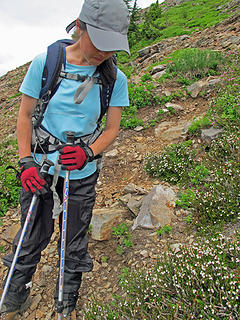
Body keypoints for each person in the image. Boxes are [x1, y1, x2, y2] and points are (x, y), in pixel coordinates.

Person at [0, 0, 130, 318]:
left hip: (81, 172)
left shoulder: (116, 79)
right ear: (80, 26)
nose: (103, 53)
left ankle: (67, 297)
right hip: (40, 167)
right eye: (99, 43)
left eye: (111, 47)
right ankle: (16, 293)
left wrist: (88, 152)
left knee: (73, 236)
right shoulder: (47, 63)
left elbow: (112, 130)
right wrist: (25, 161)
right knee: (33, 233)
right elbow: (25, 115)